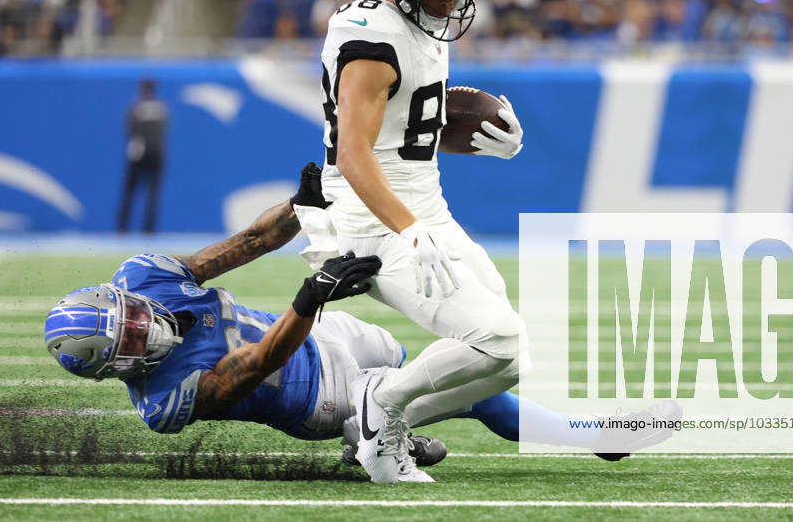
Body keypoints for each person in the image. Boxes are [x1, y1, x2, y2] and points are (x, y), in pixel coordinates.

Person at [45, 163, 680, 483]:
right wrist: (311, 295)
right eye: (128, 343)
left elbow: (243, 243)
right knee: (457, 394)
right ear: (117, 370)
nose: (142, 330)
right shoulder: (161, 399)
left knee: (470, 382)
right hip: (312, 397)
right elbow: (256, 364)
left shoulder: (146, 277)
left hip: (325, 339)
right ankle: (596, 435)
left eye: (128, 319)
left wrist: (303, 205)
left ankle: (377, 436)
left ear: (119, 296)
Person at [316, 0, 533, 483]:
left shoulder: (420, 21)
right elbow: (354, 153)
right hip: (373, 217)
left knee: (511, 359)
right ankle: (380, 405)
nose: (450, 1)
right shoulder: (372, 37)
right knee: (496, 338)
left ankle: (379, 421)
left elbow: (409, 132)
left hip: (422, 205)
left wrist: (485, 141)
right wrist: (407, 230)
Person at [117, 78, 167, 233]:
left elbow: (129, 130)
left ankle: (123, 228)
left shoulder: (136, 108)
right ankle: (148, 230)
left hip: (139, 154)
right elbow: (164, 132)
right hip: (157, 154)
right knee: (152, 194)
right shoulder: (161, 108)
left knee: (131, 192)